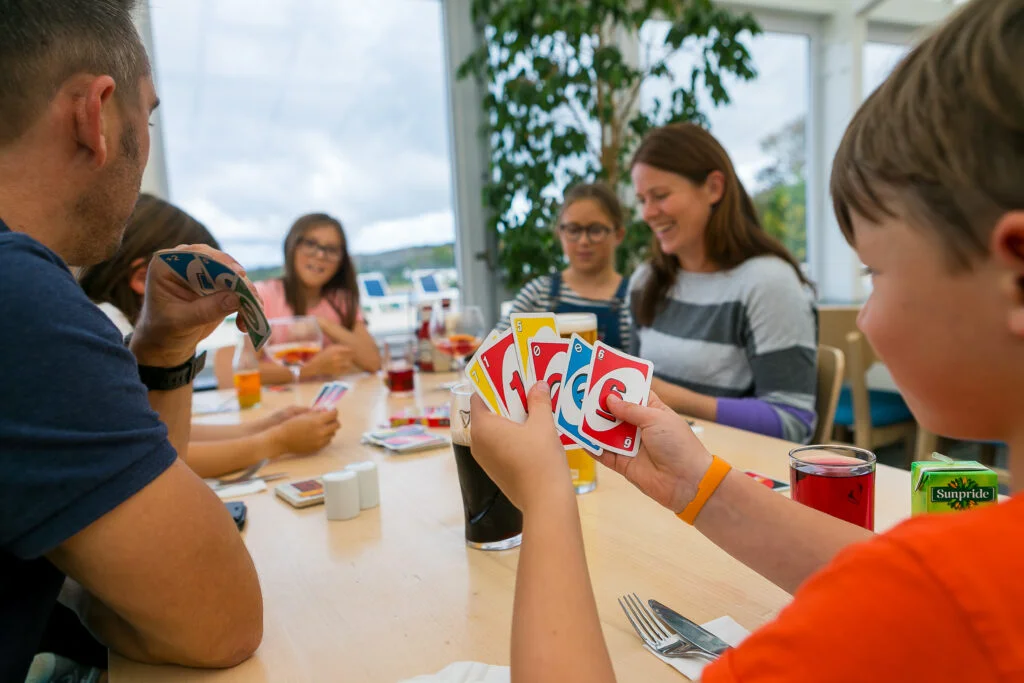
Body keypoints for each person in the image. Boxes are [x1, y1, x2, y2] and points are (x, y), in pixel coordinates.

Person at [469, 0, 1024, 680]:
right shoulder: (963, 570)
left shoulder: (938, 600)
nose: (866, 322)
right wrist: (697, 484)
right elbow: (891, 571)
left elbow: (911, 590)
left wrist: (544, 496)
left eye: (875, 272)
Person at [0, 2, 263, 680]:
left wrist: (163, 350)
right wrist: (102, 602)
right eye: (145, 117)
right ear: (97, 113)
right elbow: (221, 619)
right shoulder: (19, 298)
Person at [79, 194, 342, 478]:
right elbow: (156, 456)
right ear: (144, 279)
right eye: (202, 286)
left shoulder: (104, 321)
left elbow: (160, 429)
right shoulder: (107, 334)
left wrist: (265, 425)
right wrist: (277, 440)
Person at [629, 124, 817, 443]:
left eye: (660, 196)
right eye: (642, 199)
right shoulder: (645, 281)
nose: (648, 213)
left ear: (714, 188)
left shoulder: (767, 283)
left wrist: (668, 397)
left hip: (730, 473)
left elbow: (793, 421)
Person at [498, 182, 632, 350]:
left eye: (596, 230)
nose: (584, 241)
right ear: (560, 233)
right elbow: (493, 355)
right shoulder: (538, 294)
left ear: (618, 235)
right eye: (573, 230)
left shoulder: (633, 301)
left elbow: (647, 373)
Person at [254, 213, 382, 384]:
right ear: (292, 246)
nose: (320, 255)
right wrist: (314, 368)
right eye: (310, 244)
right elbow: (246, 369)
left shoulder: (341, 300)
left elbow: (373, 362)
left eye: (331, 250)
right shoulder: (264, 295)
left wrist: (322, 324)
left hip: (332, 402)